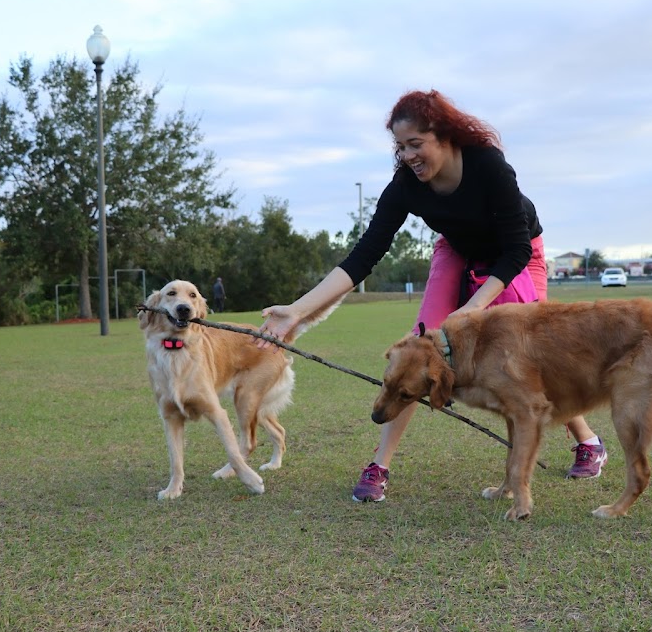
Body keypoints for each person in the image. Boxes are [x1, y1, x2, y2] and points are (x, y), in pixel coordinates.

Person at [255, 90, 607, 503]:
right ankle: (379, 467)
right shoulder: (406, 185)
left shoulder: (488, 165)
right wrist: (297, 311)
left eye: (415, 144)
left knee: (528, 357)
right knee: (418, 348)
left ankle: (587, 442)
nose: (407, 156)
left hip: (518, 253)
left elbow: (516, 249)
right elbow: (364, 255)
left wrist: (474, 308)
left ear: (443, 136)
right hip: (456, 250)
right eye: (400, 147)